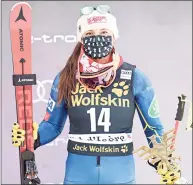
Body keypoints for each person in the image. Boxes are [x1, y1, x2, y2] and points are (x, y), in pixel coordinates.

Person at [12, 5, 181, 184]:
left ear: (114, 36)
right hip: (78, 175)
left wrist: (165, 161)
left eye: (103, 32)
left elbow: (153, 128)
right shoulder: (66, 77)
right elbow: (53, 125)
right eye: (90, 34)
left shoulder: (134, 77)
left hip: (120, 176)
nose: (97, 38)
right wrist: (32, 136)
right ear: (81, 38)